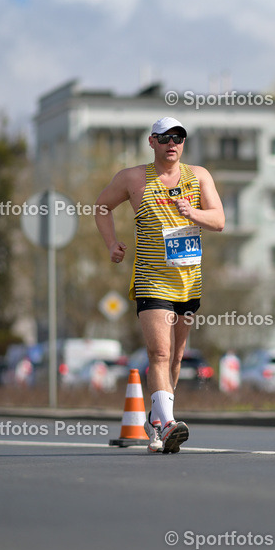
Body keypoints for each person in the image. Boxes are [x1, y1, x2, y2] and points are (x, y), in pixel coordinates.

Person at [95, 117, 224, 453]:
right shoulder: (133, 178)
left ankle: (156, 419)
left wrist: (193, 214)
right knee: (160, 352)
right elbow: (101, 206)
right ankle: (167, 424)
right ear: (152, 141)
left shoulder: (199, 176)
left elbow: (219, 220)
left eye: (178, 138)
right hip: (152, 280)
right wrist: (111, 243)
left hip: (188, 282)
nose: (172, 144)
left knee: (177, 357)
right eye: (165, 138)